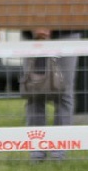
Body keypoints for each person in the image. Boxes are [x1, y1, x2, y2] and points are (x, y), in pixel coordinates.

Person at [22, 29, 81, 161]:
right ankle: (37, 152)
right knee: (34, 92)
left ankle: (59, 151)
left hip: (67, 33)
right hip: (31, 35)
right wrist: (34, 28)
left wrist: (52, 27)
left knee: (64, 92)